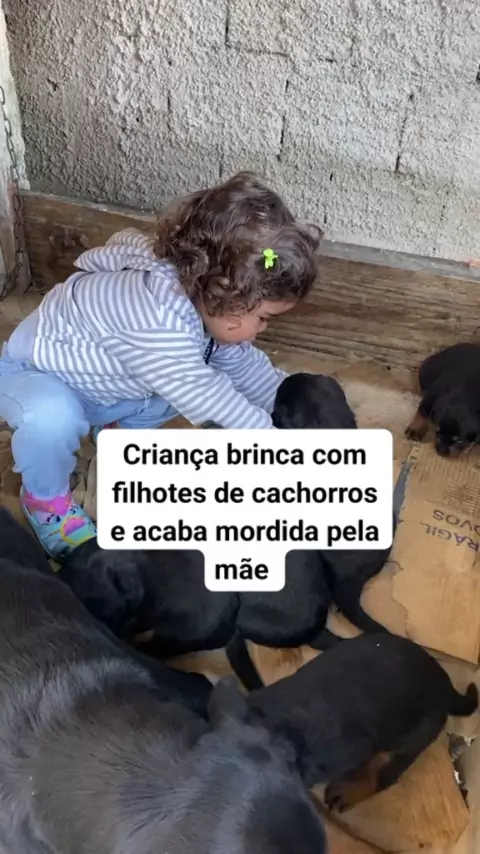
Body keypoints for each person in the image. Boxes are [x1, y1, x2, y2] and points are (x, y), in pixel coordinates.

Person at [0, 172, 322, 558]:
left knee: (187, 383)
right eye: (264, 318)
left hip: (108, 384)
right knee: (51, 419)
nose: (263, 329)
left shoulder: (200, 297)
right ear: (224, 293)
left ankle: (114, 435)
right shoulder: (157, 321)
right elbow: (213, 401)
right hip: (37, 376)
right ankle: (46, 502)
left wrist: (293, 405)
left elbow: (245, 369)